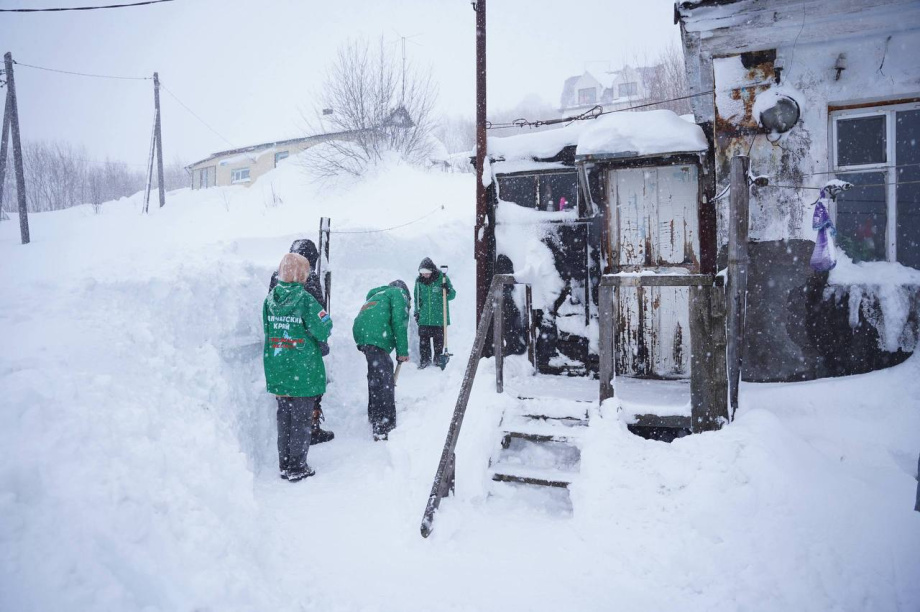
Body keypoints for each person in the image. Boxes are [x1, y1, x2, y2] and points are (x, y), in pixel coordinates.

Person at [263, 253, 333, 481]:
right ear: (302, 274)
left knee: (284, 418)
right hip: (303, 369)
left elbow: (267, 330)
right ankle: (297, 466)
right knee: (301, 420)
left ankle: (284, 463)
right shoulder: (305, 300)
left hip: (279, 366)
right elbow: (323, 328)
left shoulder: (270, 300)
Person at [352, 280, 411, 440]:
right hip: (377, 335)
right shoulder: (398, 293)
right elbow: (400, 322)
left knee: (375, 374)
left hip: (362, 334)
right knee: (384, 378)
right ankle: (384, 424)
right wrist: (402, 351)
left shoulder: (378, 295)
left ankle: (374, 413)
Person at [413, 257, 456, 369]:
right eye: (422, 273)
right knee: (423, 342)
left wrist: (447, 290)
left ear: (432, 271)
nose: (425, 275)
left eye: (427, 273)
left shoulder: (442, 279)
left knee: (438, 341)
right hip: (424, 317)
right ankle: (425, 361)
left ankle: (438, 359)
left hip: (439, 317)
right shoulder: (419, 281)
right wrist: (417, 312)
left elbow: (452, 295)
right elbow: (417, 298)